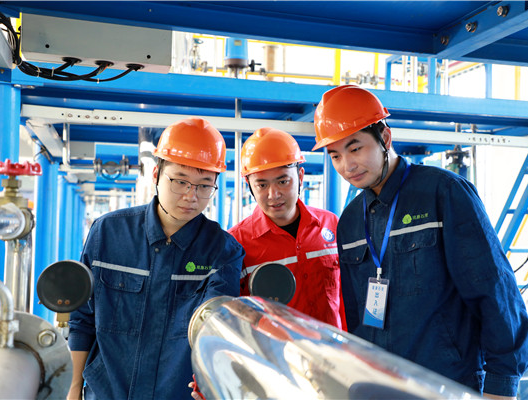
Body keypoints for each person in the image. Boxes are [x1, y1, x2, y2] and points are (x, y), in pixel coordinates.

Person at [312, 85, 528, 399]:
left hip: (448, 384)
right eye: (335, 155)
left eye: (355, 148)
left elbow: (494, 290)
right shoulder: (350, 222)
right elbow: (356, 317)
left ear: (385, 138)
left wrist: (502, 384)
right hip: (381, 384)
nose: (347, 165)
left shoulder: (444, 193)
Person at [67, 117, 244, 400]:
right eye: (180, 181)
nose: (191, 196)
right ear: (156, 174)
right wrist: (74, 387)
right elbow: (83, 319)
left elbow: (215, 331)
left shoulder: (223, 251)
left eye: (204, 185)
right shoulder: (108, 233)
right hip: (107, 393)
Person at [229, 127, 346, 330]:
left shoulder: (330, 224)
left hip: (332, 346)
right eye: (262, 185)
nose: (273, 194)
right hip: (274, 349)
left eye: (283, 181)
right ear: (249, 185)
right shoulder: (236, 243)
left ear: (300, 176)